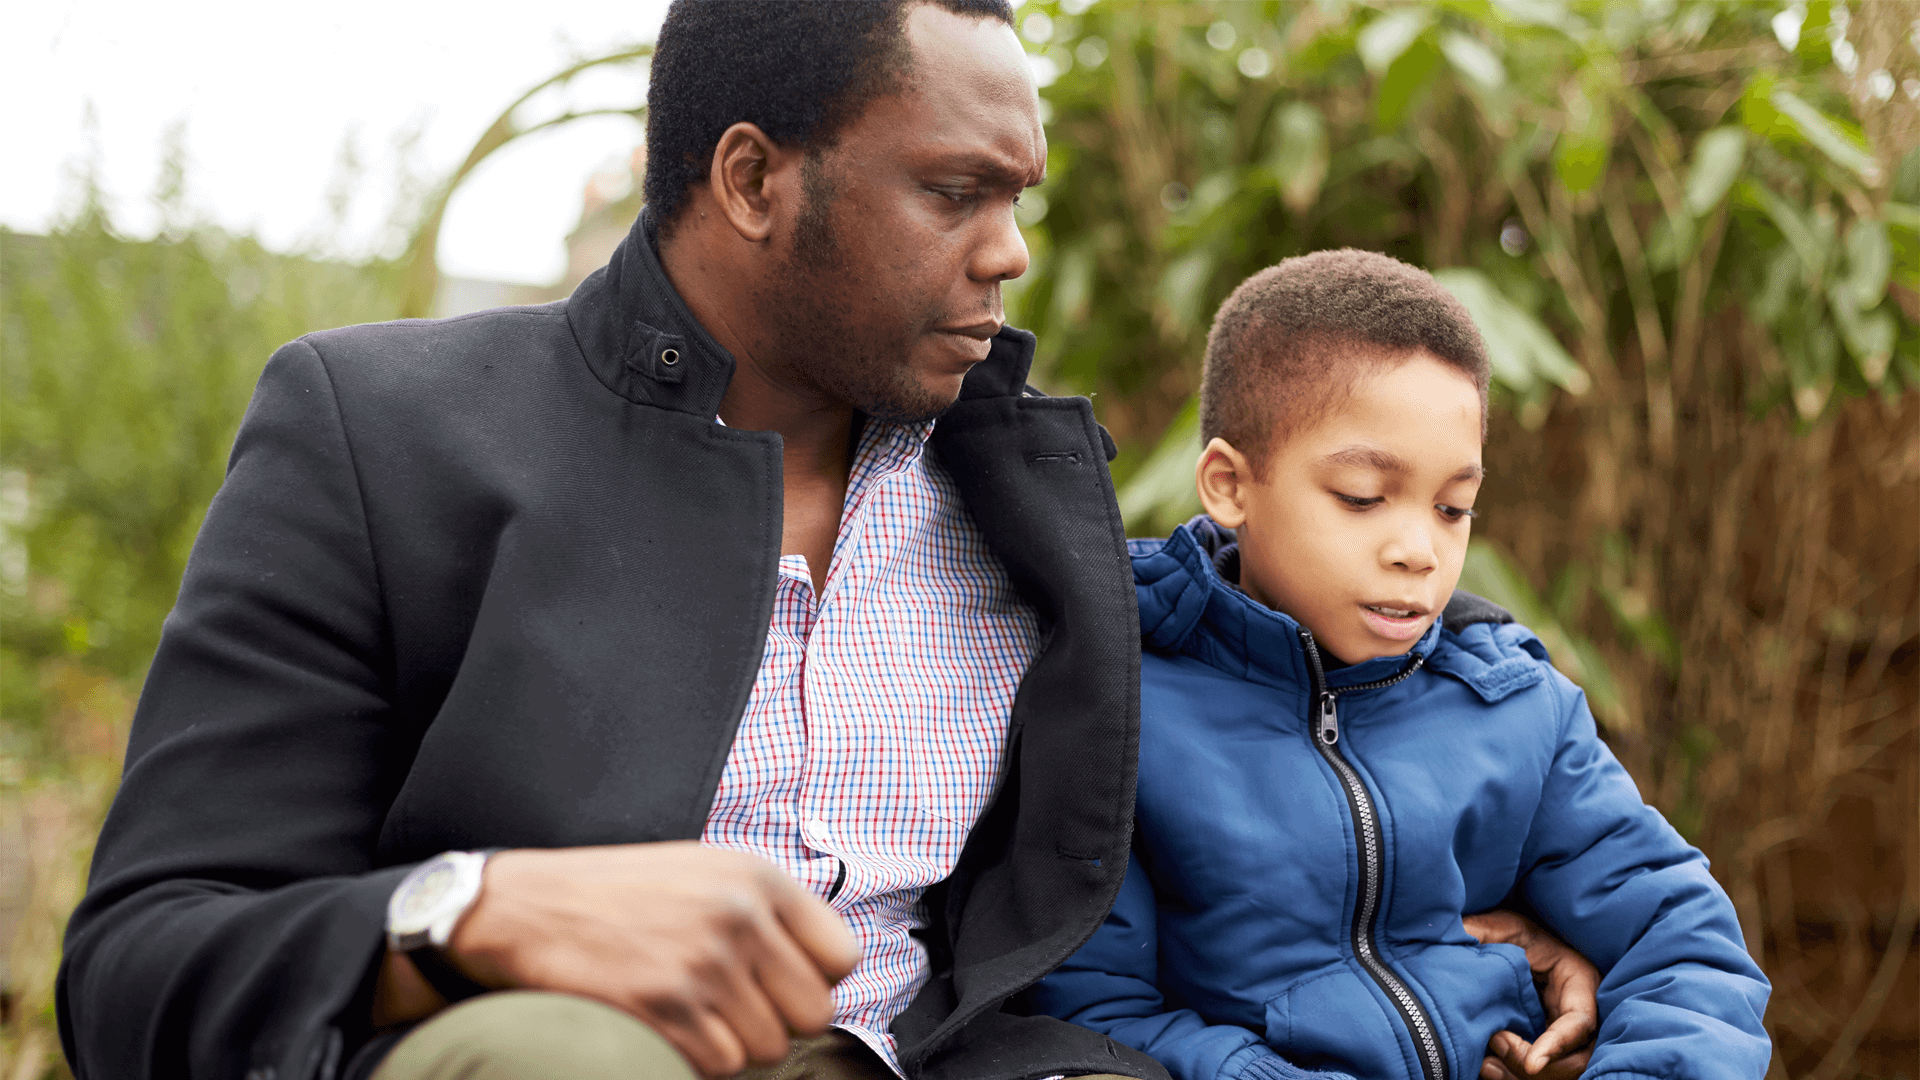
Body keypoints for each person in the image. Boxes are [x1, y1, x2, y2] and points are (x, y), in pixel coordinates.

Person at [56, 7, 1602, 1080]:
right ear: (752, 180)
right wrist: (482, 910)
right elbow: (141, 964)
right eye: (953, 192)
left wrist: (1481, 932)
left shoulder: (1023, 491)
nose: (1010, 252)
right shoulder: (381, 431)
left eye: (1019, 199)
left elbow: (1309, 678)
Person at [1025, 249, 1773, 1080]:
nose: (1419, 550)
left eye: (1454, 508)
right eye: (1361, 497)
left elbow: (1684, 946)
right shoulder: (1122, 706)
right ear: (1231, 485)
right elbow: (1092, 1016)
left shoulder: (1515, 705)